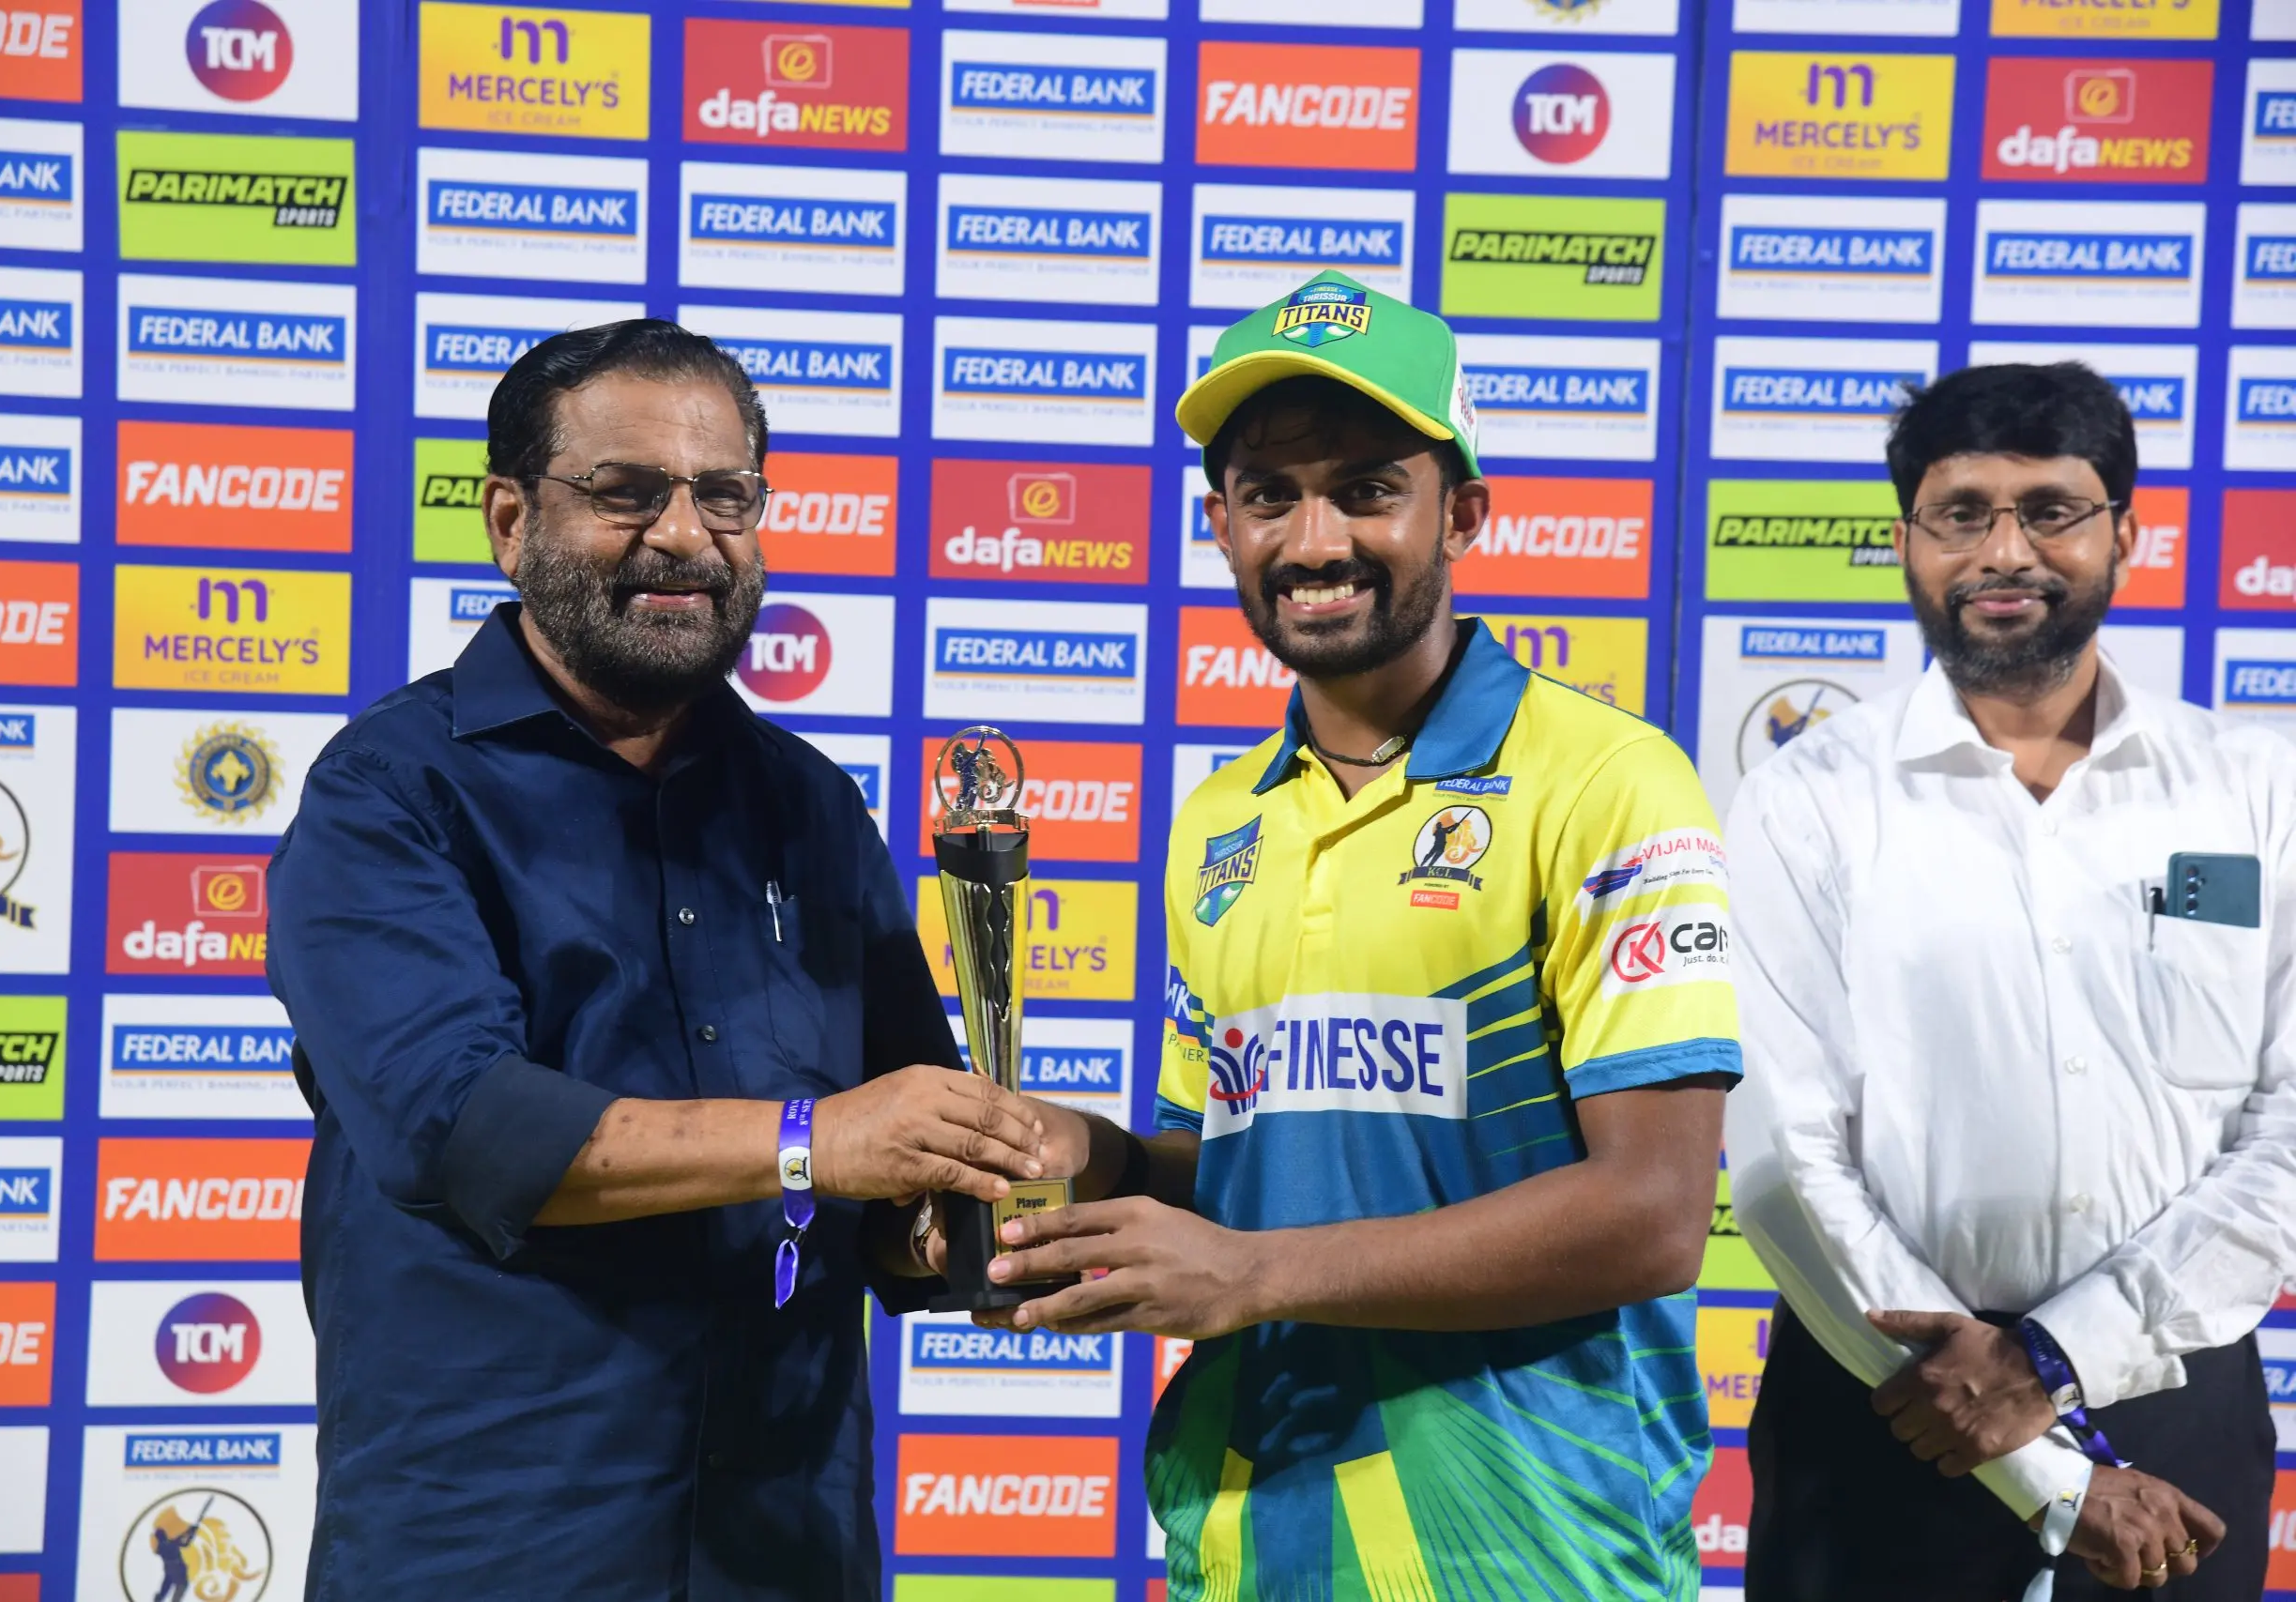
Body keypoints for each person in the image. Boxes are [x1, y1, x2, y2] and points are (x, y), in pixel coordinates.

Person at [957, 272, 1743, 1599]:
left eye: (1369, 489)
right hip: (1248, 1532)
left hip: (1531, 1552)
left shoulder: (1610, 781)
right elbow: (1226, 1177)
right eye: (1270, 495)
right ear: (1220, 524)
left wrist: (1253, 1273)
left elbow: (1654, 1218)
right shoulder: (1220, 820)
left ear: (1464, 512)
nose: (1315, 540)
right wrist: (1074, 1164)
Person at [267, 320, 1058, 1600]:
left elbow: (890, 1162)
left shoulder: (810, 805)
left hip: (786, 1552)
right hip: (497, 1556)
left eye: (725, 495)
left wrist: (955, 1221)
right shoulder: (389, 794)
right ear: (511, 520)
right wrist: (811, 1140)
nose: (686, 535)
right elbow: (460, 1129)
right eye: (626, 492)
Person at [1724, 361, 2295, 1600]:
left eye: (2050, 510)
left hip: (2175, 1398)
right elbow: (1782, 1155)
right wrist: (2037, 1458)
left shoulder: (2256, 790)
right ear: (1904, 540)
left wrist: (2056, 1355)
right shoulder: (1805, 800)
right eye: (1962, 513)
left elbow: (2288, 1127)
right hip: (1884, 1397)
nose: (2004, 551)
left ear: (2124, 533)